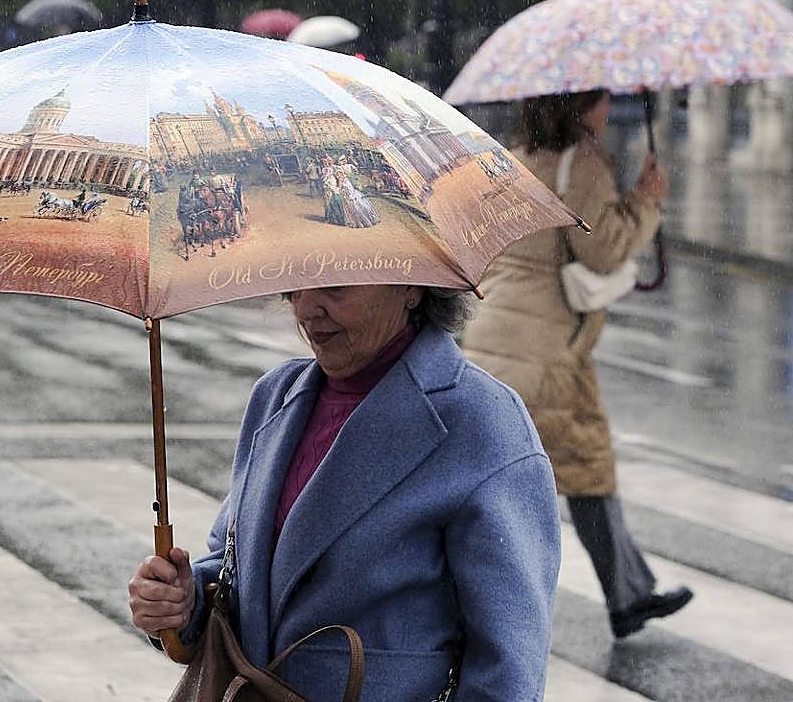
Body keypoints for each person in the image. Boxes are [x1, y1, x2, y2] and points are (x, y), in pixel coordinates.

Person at [129, 284, 560, 699]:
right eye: (299, 282)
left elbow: (508, 666)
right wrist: (183, 603)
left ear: (411, 286)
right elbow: (235, 574)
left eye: (338, 286)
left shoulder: (482, 422)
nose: (306, 309)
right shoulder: (275, 397)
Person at [462, 89, 692, 639]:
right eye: (601, 100)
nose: (608, 109)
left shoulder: (516, 157)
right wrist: (646, 199)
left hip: (496, 335)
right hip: (546, 352)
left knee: (538, 474)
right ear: (581, 107)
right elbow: (605, 250)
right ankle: (491, 614)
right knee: (544, 482)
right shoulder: (583, 164)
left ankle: (628, 593)